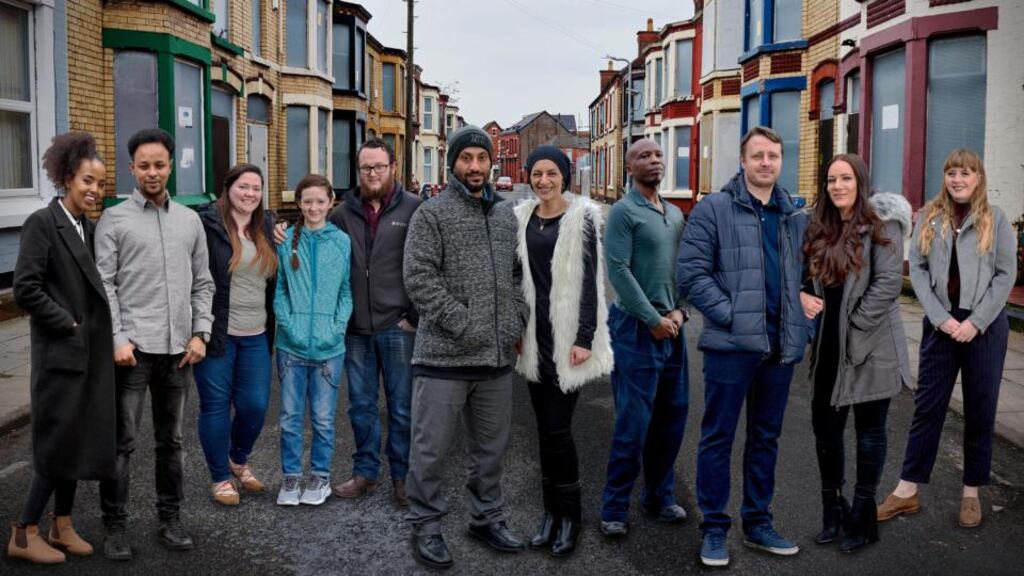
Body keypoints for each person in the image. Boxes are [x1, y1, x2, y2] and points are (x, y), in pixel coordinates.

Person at [677, 126, 809, 567]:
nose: (766, 162)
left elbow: (807, 276)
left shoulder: (793, 215)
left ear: (781, 161)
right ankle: (714, 529)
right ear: (743, 160)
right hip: (731, 348)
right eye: (758, 155)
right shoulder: (713, 209)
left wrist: (803, 319)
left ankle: (758, 523)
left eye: (773, 155)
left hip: (778, 347)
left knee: (765, 439)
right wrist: (733, 315)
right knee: (718, 437)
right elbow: (691, 274)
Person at [402, 125, 526, 569]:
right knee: (430, 451)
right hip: (443, 358)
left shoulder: (506, 216)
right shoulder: (431, 214)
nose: (475, 166)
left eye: (481, 158)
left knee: (490, 452)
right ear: (453, 163)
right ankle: (426, 525)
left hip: (495, 361)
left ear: (491, 163)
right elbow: (419, 278)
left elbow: (517, 276)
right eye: (466, 158)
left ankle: (486, 518)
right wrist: (465, 323)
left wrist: (514, 318)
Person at [878, 148, 1016, 528]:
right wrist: (941, 319)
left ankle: (971, 493)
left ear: (978, 178)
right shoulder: (930, 216)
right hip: (941, 326)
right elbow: (919, 271)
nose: (957, 179)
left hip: (984, 329)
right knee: (928, 407)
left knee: (980, 409)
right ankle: (906, 490)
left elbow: (1005, 275)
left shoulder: (995, 219)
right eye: (952, 173)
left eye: (965, 173)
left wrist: (976, 322)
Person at [94, 128, 215, 560]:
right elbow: (104, 286)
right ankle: (115, 527)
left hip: (178, 351)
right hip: (133, 351)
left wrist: (201, 332)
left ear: (170, 166)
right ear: (132, 168)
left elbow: (203, 283)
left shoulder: (189, 221)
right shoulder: (114, 220)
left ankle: (170, 519)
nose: (152, 172)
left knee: (172, 443)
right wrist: (117, 338)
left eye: (159, 165)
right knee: (122, 443)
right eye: (143, 165)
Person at [9, 132, 116, 564]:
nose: (94, 190)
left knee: (76, 441)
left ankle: (62, 525)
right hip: (60, 354)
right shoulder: (42, 222)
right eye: (88, 181)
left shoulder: (87, 227)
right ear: (68, 177)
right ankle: (24, 532)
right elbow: (25, 288)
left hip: (87, 355)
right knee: (56, 444)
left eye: (101, 184)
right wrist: (67, 323)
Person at [800, 154, 911, 552]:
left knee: (869, 432)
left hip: (870, 346)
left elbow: (888, 284)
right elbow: (805, 277)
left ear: (860, 182)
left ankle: (863, 516)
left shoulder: (883, 225)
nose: (838, 186)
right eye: (832, 180)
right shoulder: (819, 226)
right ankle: (833, 510)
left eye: (846, 178)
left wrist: (854, 325)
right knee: (826, 432)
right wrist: (802, 295)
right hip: (828, 346)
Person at [514, 146, 613, 557]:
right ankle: (550, 513)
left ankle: (570, 517)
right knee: (543, 431)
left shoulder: (582, 218)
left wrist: (584, 337)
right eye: (537, 174)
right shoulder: (522, 217)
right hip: (534, 339)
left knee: (558, 431)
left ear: (564, 176)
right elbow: (516, 278)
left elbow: (591, 282)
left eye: (551, 173)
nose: (544, 181)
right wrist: (516, 328)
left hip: (568, 337)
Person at [599, 139, 689, 539]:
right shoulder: (623, 211)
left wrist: (680, 312)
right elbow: (618, 271)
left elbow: (685, 270)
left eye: (657, 155)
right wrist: (652, 319)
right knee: (634, 423)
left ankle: (659, 496)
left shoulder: (674, 213)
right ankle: (614, 507)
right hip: (636, 328)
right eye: (643, 156)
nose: (653, 160)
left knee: (672, 417)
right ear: (629, 167)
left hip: (673, 327)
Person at [329, 139, 421, 506]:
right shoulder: (341, 214)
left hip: (397, 326)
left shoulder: (414, 208)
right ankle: (365, 472)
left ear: (393, 167)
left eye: (379, 166)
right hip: (356, 329)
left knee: (401, 406)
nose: (372, 174)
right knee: (361, 406)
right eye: (366, 167)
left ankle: (402, 476)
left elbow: (429, 264)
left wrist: (413, 316)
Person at [195, 164, 278, 506]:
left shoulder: (267, 226)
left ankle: (238, 459)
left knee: (254, 406)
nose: (250, 194)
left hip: (257, 335)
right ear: (228, 188)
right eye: (244, 186)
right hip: (218, 334)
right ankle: (220, 477)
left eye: (256, 188)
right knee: (215, 406)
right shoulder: (206, 225)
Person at [274, 174, 353, 507]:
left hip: (329, 349)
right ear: (299, 203)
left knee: (322, 420)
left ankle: (320, 477)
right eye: (307, 201)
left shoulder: (342, 241)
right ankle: (291, 477)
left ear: (331, 202)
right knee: (290, 419)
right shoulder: (286, 239)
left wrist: (336, 327)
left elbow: (346, 291)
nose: (314, 207)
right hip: (290, 347)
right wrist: (289, 325)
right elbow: (280, 289)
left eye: (320, 201)